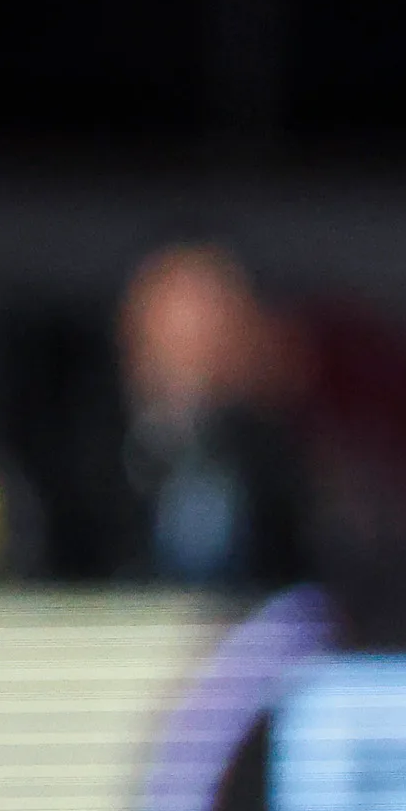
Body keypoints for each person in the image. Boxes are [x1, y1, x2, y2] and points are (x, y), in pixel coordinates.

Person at [115, 242, 310, 589]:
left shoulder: (287, 466)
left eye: (213, 324)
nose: (192, 353)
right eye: (175, 331)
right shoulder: (83, 467)